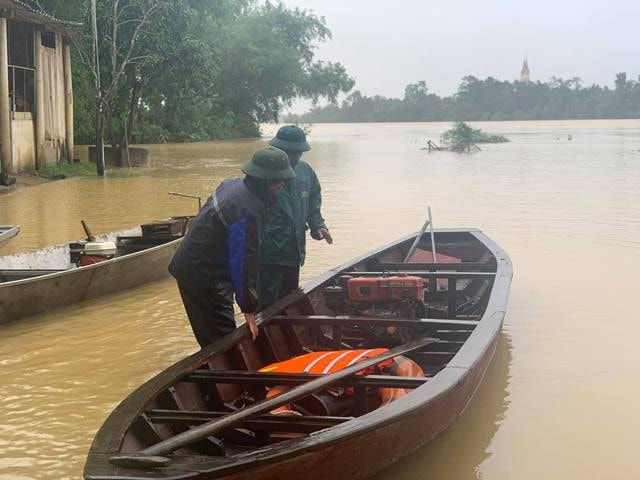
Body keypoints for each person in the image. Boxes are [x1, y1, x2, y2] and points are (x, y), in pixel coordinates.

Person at [169, 147, 295, 347]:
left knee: (216, 330)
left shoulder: (231, 185)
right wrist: (248, 308)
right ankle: (223, 373)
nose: (281, 186)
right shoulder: (248, 209)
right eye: (279, 182)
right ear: (267, 182)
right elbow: (244, 260)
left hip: (195, 264)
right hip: (203, 274)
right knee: (220, 337)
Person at [259, 125, 332, 309]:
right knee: (265, 305)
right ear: (277, 149)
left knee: (290, 301)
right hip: (267, 256)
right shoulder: (262, 175)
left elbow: (313, 205)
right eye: (290, 152)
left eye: (298, 153)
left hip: (294, 253)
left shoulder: (306, 173)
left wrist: (318, 225)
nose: (295, 157)